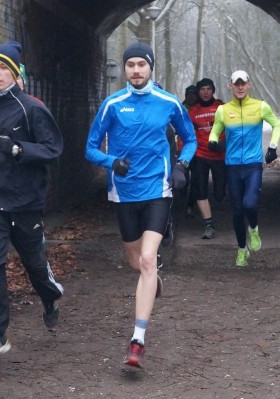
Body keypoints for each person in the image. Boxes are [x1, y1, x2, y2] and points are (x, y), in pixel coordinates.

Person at [85, 42, 197, 368]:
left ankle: (137, 340)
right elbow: (89, 148)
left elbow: (189, 139)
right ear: (125, 69)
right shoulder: (112, 104)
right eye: (130, 64)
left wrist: (182, 166)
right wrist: (110, 162)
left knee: (149, 259)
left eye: (141, 64)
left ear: (150, 67)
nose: (136, 70)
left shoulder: (168, 102)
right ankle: (153, 278)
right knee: (136, 263)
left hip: (158, 191)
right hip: (123, 193)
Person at [0, 41, 65, 362]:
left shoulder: (32, 109)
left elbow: (53, 149)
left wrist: (21, 149)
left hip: (26, 202)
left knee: (34, 264)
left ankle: (49, 296)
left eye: (3, 68)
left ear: (15, 72)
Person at [209, 70, 280, 267]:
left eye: (243, 84)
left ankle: (254, 229)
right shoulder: (223, 110)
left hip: (252, 165)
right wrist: (213, 140)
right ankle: (242, 250)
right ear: (230, 86)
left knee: (250, 204)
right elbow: (216, 128)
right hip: (232, 167)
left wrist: (273, 147)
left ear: (249, 85)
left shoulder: (260, 106)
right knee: (238, 211)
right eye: (236, 84)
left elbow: (276, 125)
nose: (240, 87)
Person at [189, 78, 226, 239]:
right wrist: (185, 155)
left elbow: (233, 128)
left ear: (213, 90)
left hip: (220, 155)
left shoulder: (221, 107)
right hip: (200, 155)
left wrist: (224, 143)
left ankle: (219, 195)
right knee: (201, 190)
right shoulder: (193, 111)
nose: (205, 92)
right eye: (202, 89)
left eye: (208, 88)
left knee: (219, 194)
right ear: (198, 92)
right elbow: (187, 134)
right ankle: (208, 225)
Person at [177, 85, 199, 217]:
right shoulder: (180, 107)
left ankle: (191, 205)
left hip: (198, 150)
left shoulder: (199, 109)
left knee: (196, 180)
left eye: (193, 94)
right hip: (182, 149)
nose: (191, 97)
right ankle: (183, 188)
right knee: (184, 177)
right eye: (188, 94)